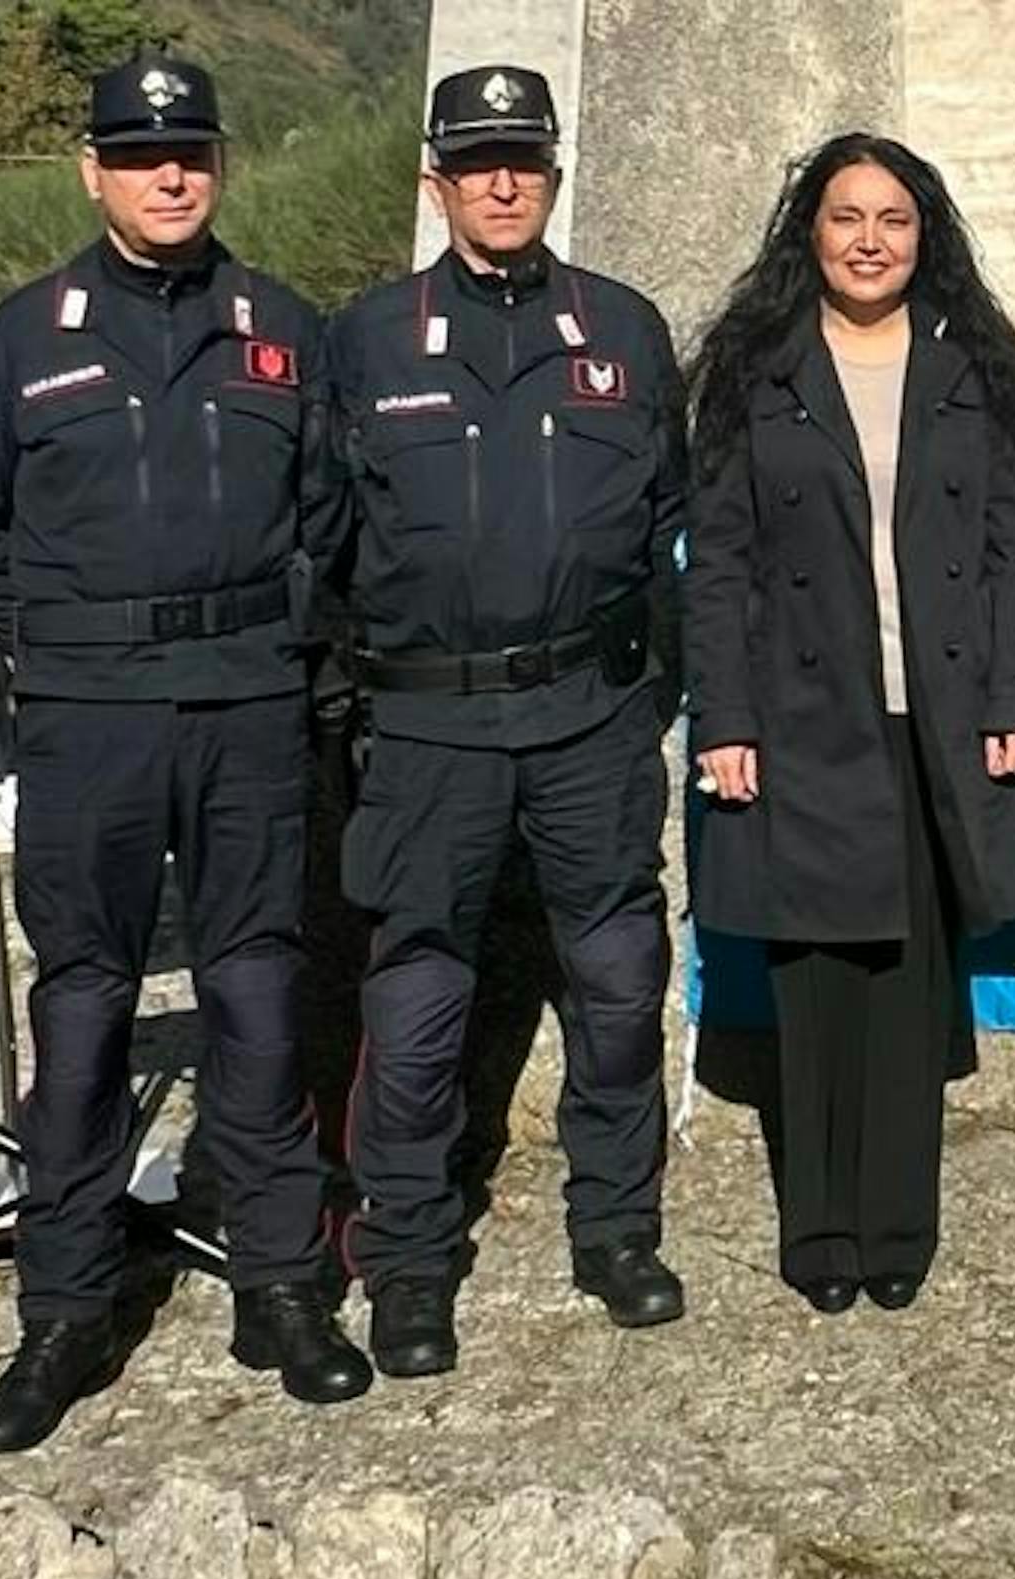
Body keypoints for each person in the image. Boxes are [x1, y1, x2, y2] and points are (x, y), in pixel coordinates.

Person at [0, 52, 366, 1452]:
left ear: (218, 165)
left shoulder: (281, 329)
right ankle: (65, 1305)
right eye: (135, 155)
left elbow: (331, 520)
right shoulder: (20, 337)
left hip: (247, 705)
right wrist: (62, 642)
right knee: (84, 1008)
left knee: (253, 987)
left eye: (187, 154)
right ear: (93, 172)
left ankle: (283, 1277)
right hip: (91, 716)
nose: (167, 176)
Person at [321, 66, 687, 1373]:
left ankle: (617, 1230)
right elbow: (321, 540)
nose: (502, 180)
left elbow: (668, 530)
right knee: (419, 998)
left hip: (589, 719)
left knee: (617, 979)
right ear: (439, 182)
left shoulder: (626, 331)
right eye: (476, 161)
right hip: (427, 732)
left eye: (522, 158)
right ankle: (410, 1260)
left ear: (552, 172)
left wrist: (654, 688)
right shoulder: (364, 338)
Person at [683, 134, 1015, 1315]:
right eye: (847, 216)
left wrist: (1013, 698)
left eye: (894, 219)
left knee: (909, 981)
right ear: (810, 232)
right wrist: (725, 720)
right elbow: (721, 565)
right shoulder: (759, 371)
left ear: (924, 234)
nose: (870, 240)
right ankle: (821, 1227)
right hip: (802, 719)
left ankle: (897, 1225)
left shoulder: (974, 369)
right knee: (816, 978)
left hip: (934, 720)